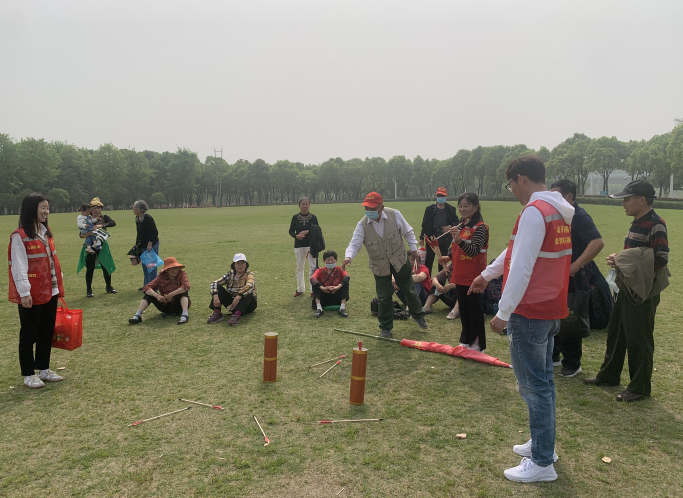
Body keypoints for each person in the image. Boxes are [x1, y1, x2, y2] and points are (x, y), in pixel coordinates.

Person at [469, 155, 574, 482]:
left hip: (530, 311)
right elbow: (516, 250)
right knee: (544, 382)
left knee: (534, 386)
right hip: (550, 307)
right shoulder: (557, 210)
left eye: (511, 184)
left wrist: (504, 311)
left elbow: (522, 265)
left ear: (522, 179)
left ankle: (542, 462)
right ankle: (543, 445)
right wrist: (487, 274)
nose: (512, 190)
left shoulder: (534, 211)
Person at [584, 180, 669, 402]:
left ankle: (639, 388)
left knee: (639, 338)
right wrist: (621, 260)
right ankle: (609, 375)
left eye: (627, 199)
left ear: (642, 200)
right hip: (626, 287)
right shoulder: (637, 222)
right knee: (616, 332)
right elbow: (637, 255)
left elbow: (661, 258)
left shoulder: (656, 224)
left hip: (642, 291)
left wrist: (623, 260)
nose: (623, 203)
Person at [342, 192, 428, 338]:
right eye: (366, 208)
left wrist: (414, 249)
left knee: (409, 289)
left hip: (399, 260)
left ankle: (418, 315)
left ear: (381, 207)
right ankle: (386, 327)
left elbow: (408, 232)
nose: (369, 211)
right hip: (379, 265)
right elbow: (355, 243)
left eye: (372, 208)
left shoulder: (395, 214)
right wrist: (348, 256)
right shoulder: (362, 225)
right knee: (383, 296)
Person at [549, 179, 608, 378]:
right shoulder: (556, 216)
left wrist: (575, 265)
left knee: (570, 316)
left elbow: (597, 242)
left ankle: (572, 363)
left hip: (573, 277)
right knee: (554, 314)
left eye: (556, 195)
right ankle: (554, 355)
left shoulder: (579, 216)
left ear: (569, 197)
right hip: (555, 275)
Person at [9, 193, 65, 389]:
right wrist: (24, 292)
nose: (46, 211)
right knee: (28, 334)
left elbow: (52, 260)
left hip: (50, 290)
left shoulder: (45, 232)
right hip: (32, 293)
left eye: (47, 207)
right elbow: (18, 266)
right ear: (31, 209)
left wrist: (58, 284)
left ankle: (43, 369)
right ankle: (28, 374)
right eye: (43, 207)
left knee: (46, 332)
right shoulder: (20, 236)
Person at [440, 193, 489, 351]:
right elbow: (456, 250)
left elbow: (473, 251)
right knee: (464, 309)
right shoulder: (460, 225)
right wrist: (448, 257)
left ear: (475, 207)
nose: (462, 209)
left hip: (474, 276)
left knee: (474, 310)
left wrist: (459, 240)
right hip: (460, 275)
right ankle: (466, 340)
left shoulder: (480, 228)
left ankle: (478, 343)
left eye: (466, 205)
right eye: (460, 206)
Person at [129, 257, 190, 325]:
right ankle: (138, 315)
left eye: (176, 268)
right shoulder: (161, 277)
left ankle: (184, 314)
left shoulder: (182, 274)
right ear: (166, 270)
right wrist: (157, 296)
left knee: (183, 291)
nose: (175, 270)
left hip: (179, 306)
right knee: (149, 294)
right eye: (171, 268)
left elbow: (186, 286)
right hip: (165, 305)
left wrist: (171, 294)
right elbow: (146, 287)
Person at [77, 197, 117, 298]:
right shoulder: (86, 218)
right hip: (90, 246)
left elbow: (113, 223)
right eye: (94, 208)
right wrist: (88, 234)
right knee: (90, 268)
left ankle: (108, 287)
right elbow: (81, 234)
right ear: (90, 209)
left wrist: (101, 225)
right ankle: (89, 290)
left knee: (106, 266)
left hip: (102, 245)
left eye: (99, 208)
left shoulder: (104, 217)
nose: (97, 210)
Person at [207, 253, 257, 326]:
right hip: (233, 303)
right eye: (238, 263)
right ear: (234, 265)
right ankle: (217, 312)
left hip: (248, 304)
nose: (240, 265)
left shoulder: (249, 274)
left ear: (246, 264)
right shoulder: (230, 274)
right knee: (217, 287)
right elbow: (215, 283)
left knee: (248, 292)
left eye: (243, 263)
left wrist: (238, 297)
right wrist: (215, 296)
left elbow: (249, 285)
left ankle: (237, 315)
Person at [420, 187, 459, 276]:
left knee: (442, 261)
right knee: (428, 261)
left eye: (443, 196)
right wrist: (422, 238)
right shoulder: (429, 209)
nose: (441, 197)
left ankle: (440, 281)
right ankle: (427, 280)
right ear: (436, 196)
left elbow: (457, 221)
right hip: (431, 238)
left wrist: (450, 226)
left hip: (444, 239)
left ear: (446, 196)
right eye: (439, 196)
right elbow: (424, 224)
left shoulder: (451, 209)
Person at [289, 197, 319, 297]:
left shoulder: (313, 217)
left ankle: (313, 290)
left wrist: (308, 231)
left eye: (306, 204)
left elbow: (317, 230)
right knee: (299, 267)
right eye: (303, 204)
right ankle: (300, 289)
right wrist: (296, 236)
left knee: (312, 267)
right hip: (299, 245)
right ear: (299, 205)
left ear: (309, 205)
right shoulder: (295, 217)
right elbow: (291, 231)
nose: (305, 206)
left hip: (311, 245)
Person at [311, 249, 350, 318]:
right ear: (324, 261)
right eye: (328, 260)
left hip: (337, 295)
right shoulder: (320, 271)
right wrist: (322, 288)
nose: (330, 262)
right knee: (315, 284)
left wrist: (338, 287)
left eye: (332, 260)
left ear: (336, 260)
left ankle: (342, 308)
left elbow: (347, 277)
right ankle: (319, 308)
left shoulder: (340, 269)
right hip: (324, 297)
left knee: (345, 283)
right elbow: (312, 278)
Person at [133, 199, 160, 289]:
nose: (133, 209)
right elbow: (139, 233)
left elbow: (155, 232)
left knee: (151, 266)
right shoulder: (137, 219)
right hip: (142, 245)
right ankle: (146, 285)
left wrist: (150, 244)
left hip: (151, 245)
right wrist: (137, 245)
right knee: (145, 265)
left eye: (134, 207)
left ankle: (153, 286)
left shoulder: (148, 218)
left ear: (140, 209)